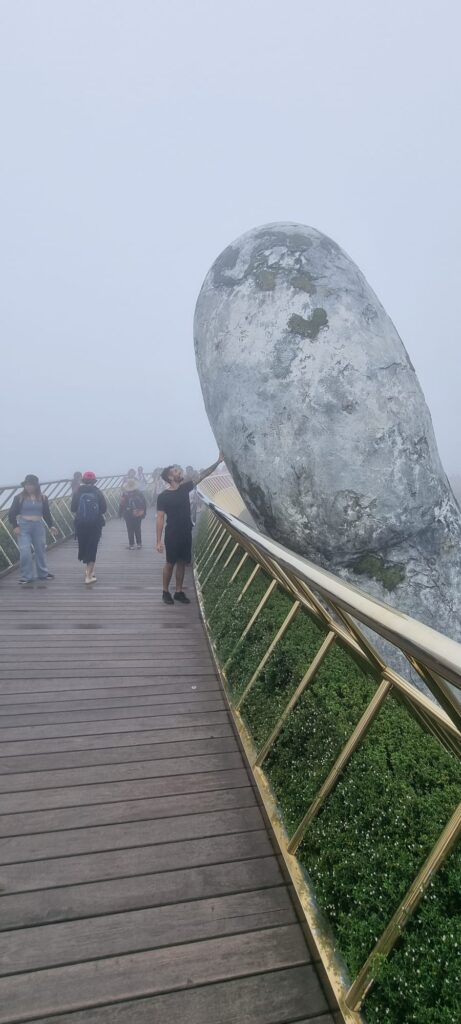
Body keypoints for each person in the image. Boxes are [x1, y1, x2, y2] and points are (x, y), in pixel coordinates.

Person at [156, 453, 223, 605]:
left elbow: (203, 475)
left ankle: (178, 591)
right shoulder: (163, 497)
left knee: (182, 563)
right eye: (175, 471)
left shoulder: (185, 488)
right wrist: (158, 541)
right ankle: (165, 592)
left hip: (186, 531)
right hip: (172, 534)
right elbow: (160, 518)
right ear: (170, 477)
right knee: (170, 563)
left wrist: (218, 462)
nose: (179, 472)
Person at [8, 474, 58, 584]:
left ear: (36, 486)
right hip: (24, 526)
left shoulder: (43, 497)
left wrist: (51, 526)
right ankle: (27, 576)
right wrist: (15, 526)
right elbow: (11, 513)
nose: (29, 487)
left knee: (40, 550)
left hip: (38, 526)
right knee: (25, 551)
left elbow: (46, 514)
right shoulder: (19, 498)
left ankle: (43, 573)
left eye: (31, 485)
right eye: (27, 485)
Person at [71, 471, 107, 585]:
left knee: (85, 546)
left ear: (83, 481)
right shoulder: (98, 492)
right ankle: (89, 576)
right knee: (92, 547)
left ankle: (88, 570)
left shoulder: (78, 492)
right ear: (94, 481)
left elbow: (73, 508)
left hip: (81, 524)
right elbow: (103, 509)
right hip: (95, 524)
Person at [119, 478, 147, 549]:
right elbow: (144, 504)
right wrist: (144, 514)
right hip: (138, 513)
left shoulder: (125, 493)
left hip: (128, 514)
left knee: (130, 529)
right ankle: (139, 544)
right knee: (137, 528)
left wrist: (120, 513)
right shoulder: (139, 493)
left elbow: (121, 504)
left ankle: (131, 545)